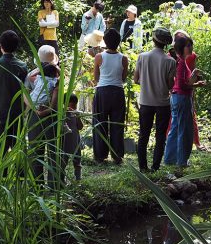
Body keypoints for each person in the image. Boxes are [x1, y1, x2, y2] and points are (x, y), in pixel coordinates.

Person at [133, 27, 177, 172]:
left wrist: (147, 82)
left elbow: (136, 79)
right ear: (165, 44)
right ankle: (155, 167)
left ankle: (143, 167)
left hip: (145, 102)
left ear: (153, 40)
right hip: (163, 104)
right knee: (160, 136)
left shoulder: (142, 57)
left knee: (143, 135)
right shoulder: (170, 61)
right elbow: (171, 85)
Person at [0, 29, 29, 162]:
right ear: (16, 47)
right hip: (17, 111)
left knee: (1, 145)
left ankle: (1, 175)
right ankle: (20, 175)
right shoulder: (22, 66)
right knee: (18, 145)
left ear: (1, 46)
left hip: (0, 110)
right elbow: (25, 90)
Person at [92, 28, 128, 165]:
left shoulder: (99, 57)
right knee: (117, 124)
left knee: (100, 123)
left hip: (102, 91)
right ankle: (117, 156)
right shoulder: (124, 58)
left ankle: (100, 156)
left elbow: (96, 77)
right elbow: (123, 78)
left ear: (105, 42)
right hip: (117, 92)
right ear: (118, 42)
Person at [163, 34, 199, 168]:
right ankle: (182, 161)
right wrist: (197, 83)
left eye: (191, 45)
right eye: (188, 46)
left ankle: (170, 159)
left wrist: (194, 79)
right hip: (182, 97)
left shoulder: (179, 61)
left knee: (175, 128)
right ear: (182, 48)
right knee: (185, 130)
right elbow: (184, 85)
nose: (191, 48)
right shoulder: (181, 63)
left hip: (176, 97)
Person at [27, 58, 61, 184]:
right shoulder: (55, 83)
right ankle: (54, 184)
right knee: (53, 151)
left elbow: (30, 75)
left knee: (36, 151)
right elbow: (53, 107)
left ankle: (37, 185)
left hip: (35, 112)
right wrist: (55, 66)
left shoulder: (38, 79)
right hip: (49, 115)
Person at [62, 94, 84, 182]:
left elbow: (80, 127)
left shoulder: (75, 114)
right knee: (63, 162)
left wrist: (78, 117)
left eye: (75, 104)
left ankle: (78, 179)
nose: (74, 106)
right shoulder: (62, 114)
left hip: (75, 141)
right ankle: (61, 180)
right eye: (72, 104)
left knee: (77, 161)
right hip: (65, 142)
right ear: (65, 104)